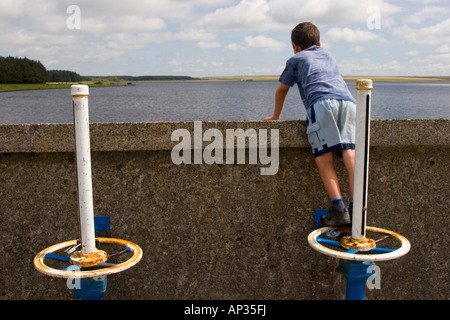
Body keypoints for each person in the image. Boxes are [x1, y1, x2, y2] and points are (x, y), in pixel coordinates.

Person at [264, 22, 356, 227]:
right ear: (319, 43)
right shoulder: (329, 55)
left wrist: (276, 117)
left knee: (324, 158)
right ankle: (356, 206)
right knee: (350, 153)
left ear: (294, 46)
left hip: (322, 104)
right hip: (349, 103)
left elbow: (281, 90)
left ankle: (340, 210)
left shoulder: (296, 59)